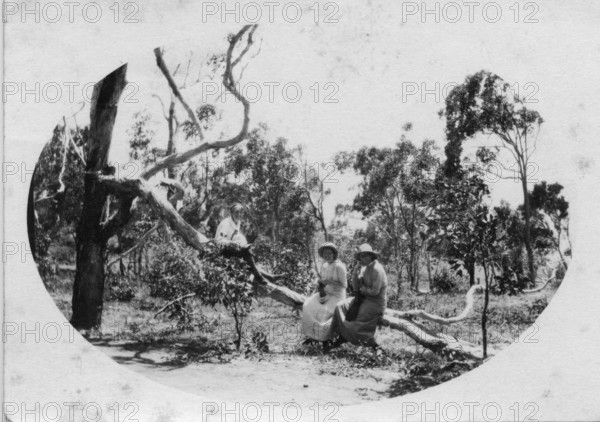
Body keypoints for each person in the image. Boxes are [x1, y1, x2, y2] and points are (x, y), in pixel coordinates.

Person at [326, 243, 387, 352]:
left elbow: (374, 292)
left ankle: (373, 345)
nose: (362, 259)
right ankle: (340, 335)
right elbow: (355, 287)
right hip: (363, 299)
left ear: (371, 256)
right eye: (360, 257)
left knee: (356, 322)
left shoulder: (377, 270)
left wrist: (363, 289)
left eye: (364, 256)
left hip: (375, 302)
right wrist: (355, 271)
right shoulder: (365, 268)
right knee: (340, 306)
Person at [215, 203, 280, 284]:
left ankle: (270, 277)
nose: (238, 214)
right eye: (236, 212)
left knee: (248, 257)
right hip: (222, 252)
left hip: (230, 250)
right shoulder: (226, 224)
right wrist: (231, 243)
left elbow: (237, 237)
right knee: (246, 254)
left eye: (240, 212)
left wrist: (241, 244)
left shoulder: (237, 222)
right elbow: (218, 240)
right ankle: (260, 277)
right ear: (231, 212)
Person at [301, 242, 347, 344]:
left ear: (334, 253)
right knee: (308, 305)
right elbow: (322, 280)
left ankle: (325, 340)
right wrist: (319, 283)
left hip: (337, 296)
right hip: (325, 294)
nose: (327, 256)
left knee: (323, 312)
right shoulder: (325, 265)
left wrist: (329, 282)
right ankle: (311, 336)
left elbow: (344, 285)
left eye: (329, 253)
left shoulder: (339, 266)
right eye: (325, 254)